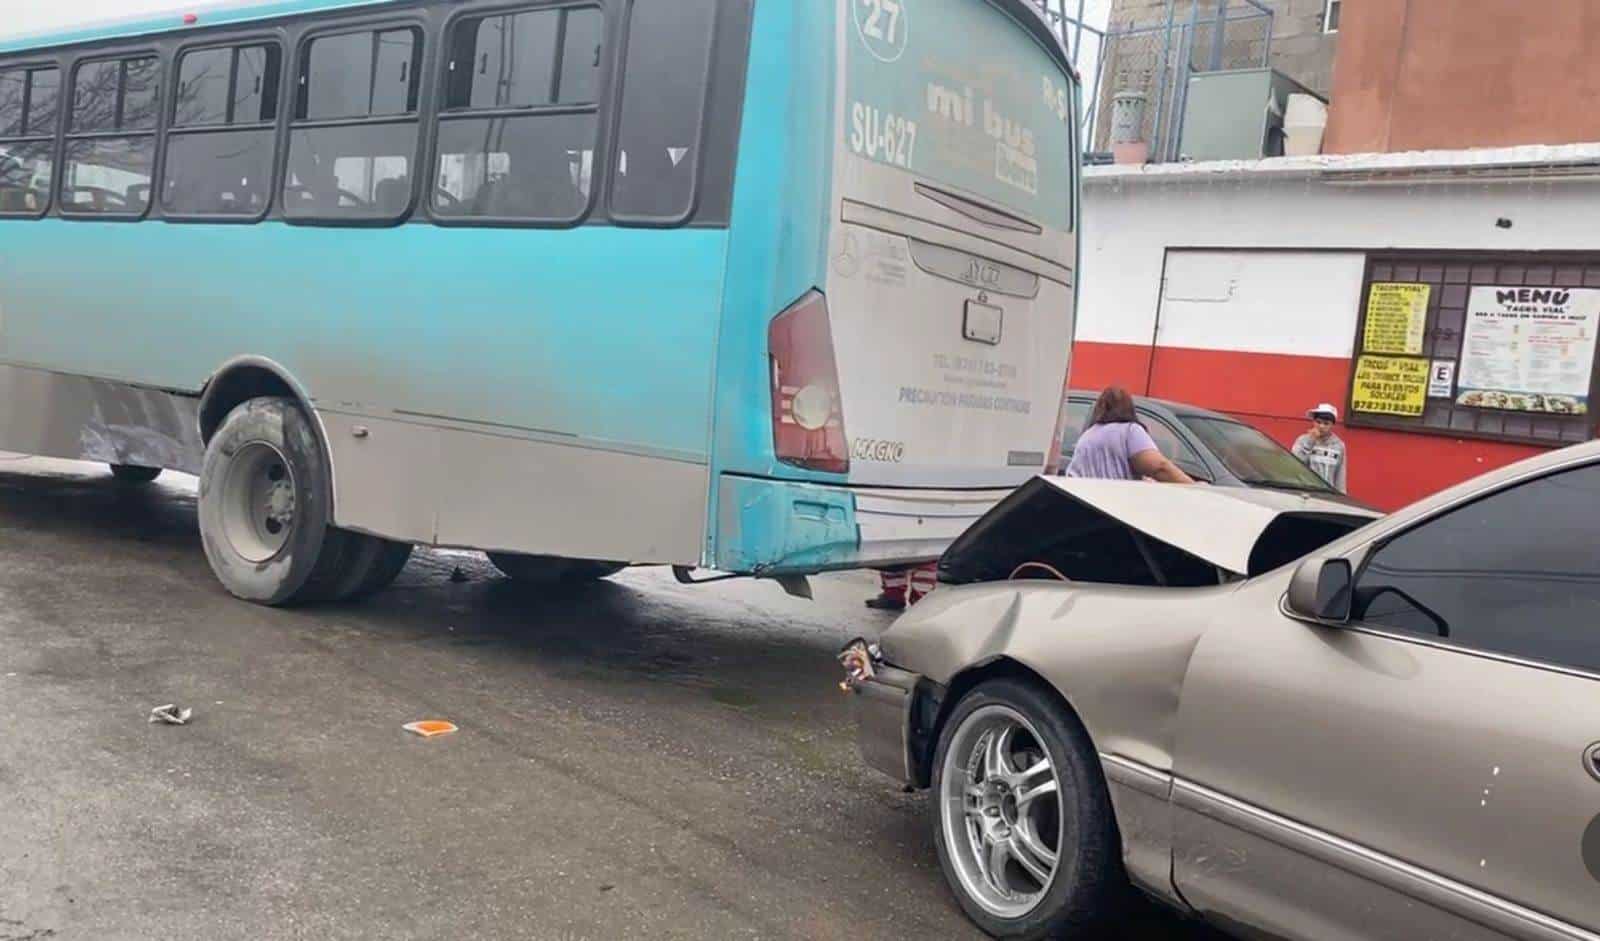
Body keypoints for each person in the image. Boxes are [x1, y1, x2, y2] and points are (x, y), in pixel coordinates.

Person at [1066, 386, 1195, 483]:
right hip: (1114, 510)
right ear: (1129, 407)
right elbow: (1159, 467)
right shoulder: (1129, 431)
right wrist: (1193, 487)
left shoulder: (1087, 436)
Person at [1292, 403, 1348, 493]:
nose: (1321, 426)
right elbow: (1295, 464)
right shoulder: (1302, 440)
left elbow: (1340, 475)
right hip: (1305, 492)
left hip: (1328, 494)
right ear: (1313, 422)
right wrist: (1310, 441)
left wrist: (1341, 495)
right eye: (1318, 422)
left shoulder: (1339, 445)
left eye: (1326, 423)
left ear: (1332, 425)